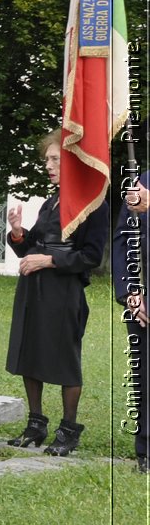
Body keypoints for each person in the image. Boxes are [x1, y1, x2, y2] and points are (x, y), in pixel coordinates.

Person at [6, 129, 109, 457]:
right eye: (47, 159)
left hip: (64, 291)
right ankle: (36, 424)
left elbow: (91, 256)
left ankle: (68, 431)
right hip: (33, 289)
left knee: (65, 360)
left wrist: (48, 260)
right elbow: (30, 248)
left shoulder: (94, 203)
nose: (48, 165)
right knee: (29, 354)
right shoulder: (51, 202)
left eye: (55, 159)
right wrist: (19, 234)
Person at [115, 171, 150, 473]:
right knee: (144, 375)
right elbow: (122, 241)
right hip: (142, 302)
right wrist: (130, 291)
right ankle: (145, 449)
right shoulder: (142, 180)